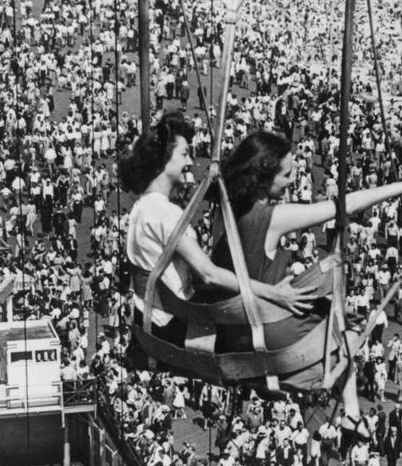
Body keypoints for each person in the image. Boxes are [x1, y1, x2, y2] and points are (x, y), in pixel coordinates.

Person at [206, 130, 402, 394]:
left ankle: (348, 405)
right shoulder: (269, 217)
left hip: (231, 332)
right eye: (285, 174)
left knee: (332, 305)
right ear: (262, 178)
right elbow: (346, 204)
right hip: (266, 333)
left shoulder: (223, 210)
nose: (292, 180)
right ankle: (349, 406)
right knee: (351, 321)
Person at [122, 114, 315, 349]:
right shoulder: (162, 212)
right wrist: (272, 293)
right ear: (163, 160)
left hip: (158, 316)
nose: (191, 161)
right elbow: (208, 274)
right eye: (184, 154)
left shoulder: (143, 207)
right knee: (268, 325)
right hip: (171, 324)